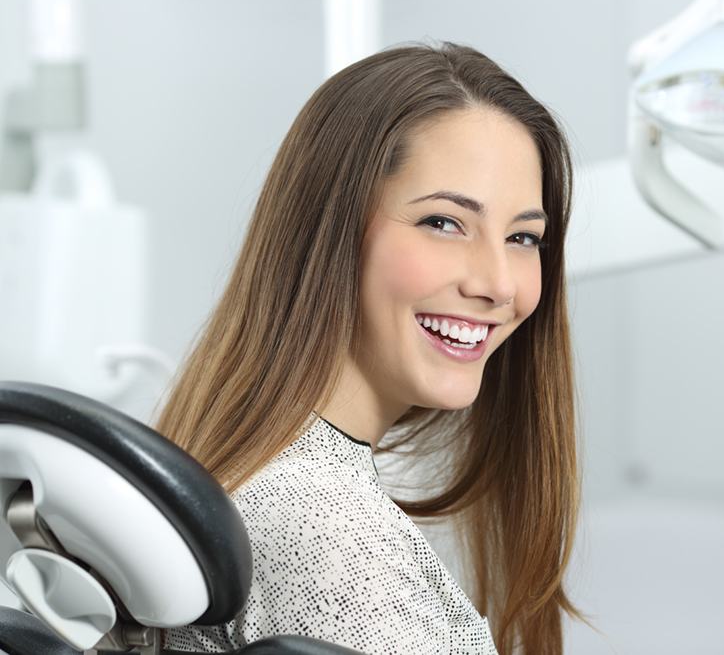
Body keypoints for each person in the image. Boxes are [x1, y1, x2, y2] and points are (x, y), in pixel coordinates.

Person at [159, 42, 579, 655]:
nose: (497, 284)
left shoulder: (278, 480)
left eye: (522, 236)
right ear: (330, 232)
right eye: (443, 222)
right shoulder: (322, 526)